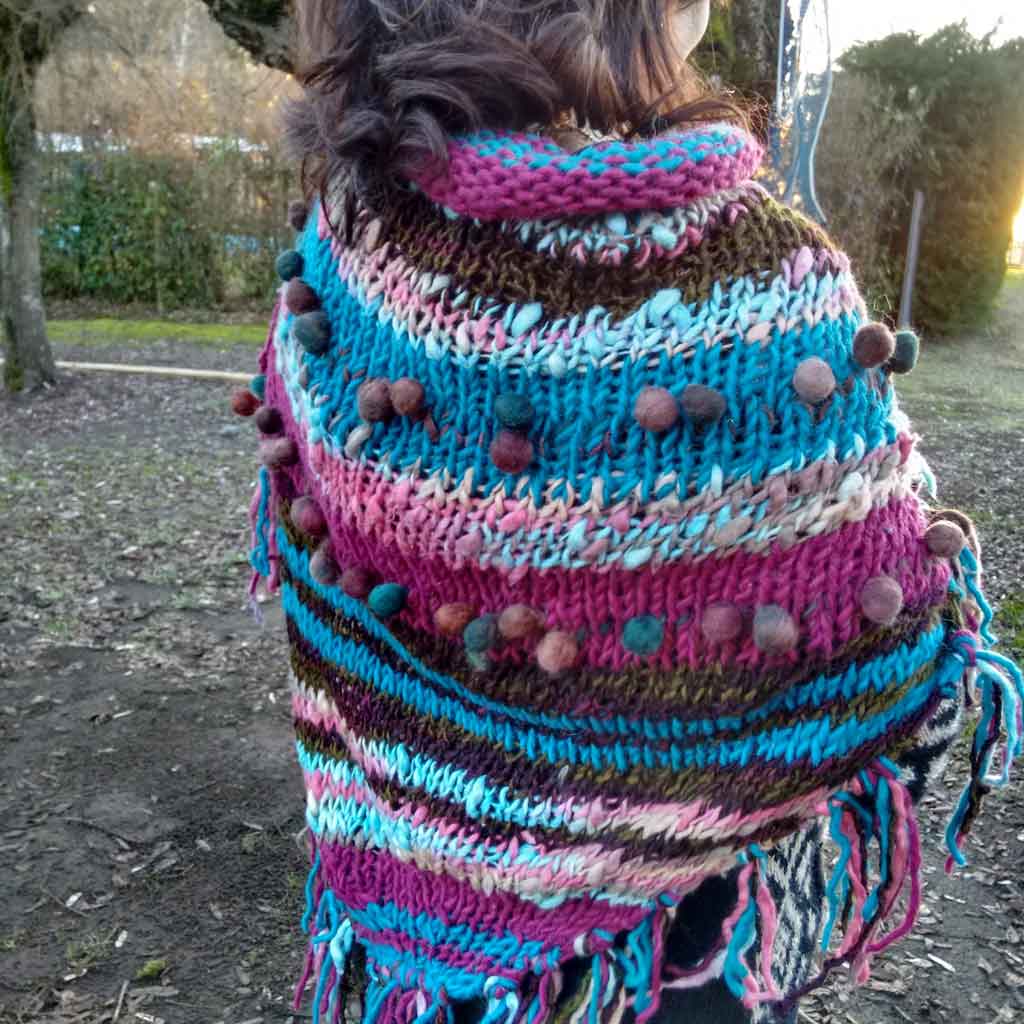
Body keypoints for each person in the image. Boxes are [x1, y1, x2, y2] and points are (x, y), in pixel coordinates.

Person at [237, 2, 1023, 1022]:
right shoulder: (762, 295)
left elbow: (316, 521)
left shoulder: (350, 238)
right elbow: (892, 649)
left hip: (404, 912)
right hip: (667, 961)